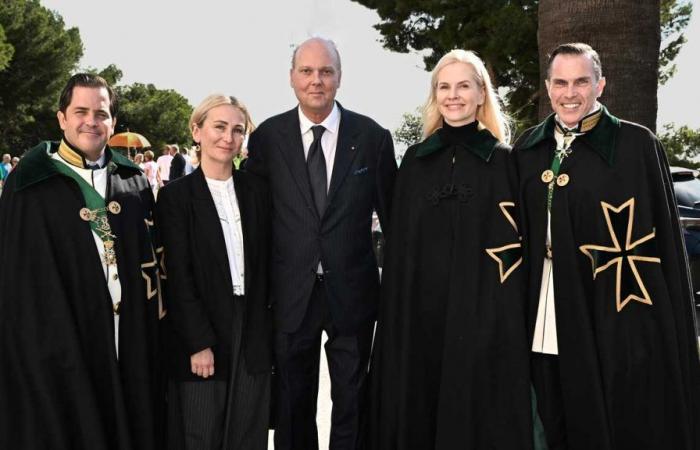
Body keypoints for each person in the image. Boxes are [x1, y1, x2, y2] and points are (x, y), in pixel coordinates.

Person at [514, 42, 700, 450]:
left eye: (582, 81)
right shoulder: (528, 148)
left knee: (604, 415)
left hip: (611, 312)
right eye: (560, 82)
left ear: (601, 85)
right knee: (548, 411)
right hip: (542, 306)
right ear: (547, 87)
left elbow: (662, 246)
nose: (570, 93)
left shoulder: (635, 145)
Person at [368, 49, 535, 450]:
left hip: (483, 318)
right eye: (444, 86)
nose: (453, 95)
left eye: (464, 86)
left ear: (482, 95)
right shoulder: (415, 162)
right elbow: (400, 247)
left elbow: (516, 247)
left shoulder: (506, 163)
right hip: (420, 321)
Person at [246, 37, 397, 450]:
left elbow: (395, 222)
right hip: (290, 294)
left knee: (351, 399)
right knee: (294, 402)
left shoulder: (372, 137)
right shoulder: (267, 140)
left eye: (326, 72)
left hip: (353, 293)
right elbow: (255, 223)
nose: (317, 81)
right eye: (308, 71)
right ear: (292, 77)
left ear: (339, 78)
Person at [0, 73, 163, 449]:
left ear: (113, 122)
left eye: (101, 113)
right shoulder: (29, 184)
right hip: (62, 349)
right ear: (61, 118)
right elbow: (15, 284)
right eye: (81, 111)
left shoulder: (133, 180)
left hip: (129, 342)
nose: (92, 121)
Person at [157, 94, 272, 450]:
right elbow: (177, 276)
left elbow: (267, 265)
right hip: (203, 329)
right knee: (200, 432)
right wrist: (198, 342)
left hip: (251, 329)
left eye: (238, 130)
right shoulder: (175, 197)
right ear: (197, 130)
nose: (228, 137)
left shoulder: (258, 191)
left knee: (247, 433)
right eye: (219, 127)